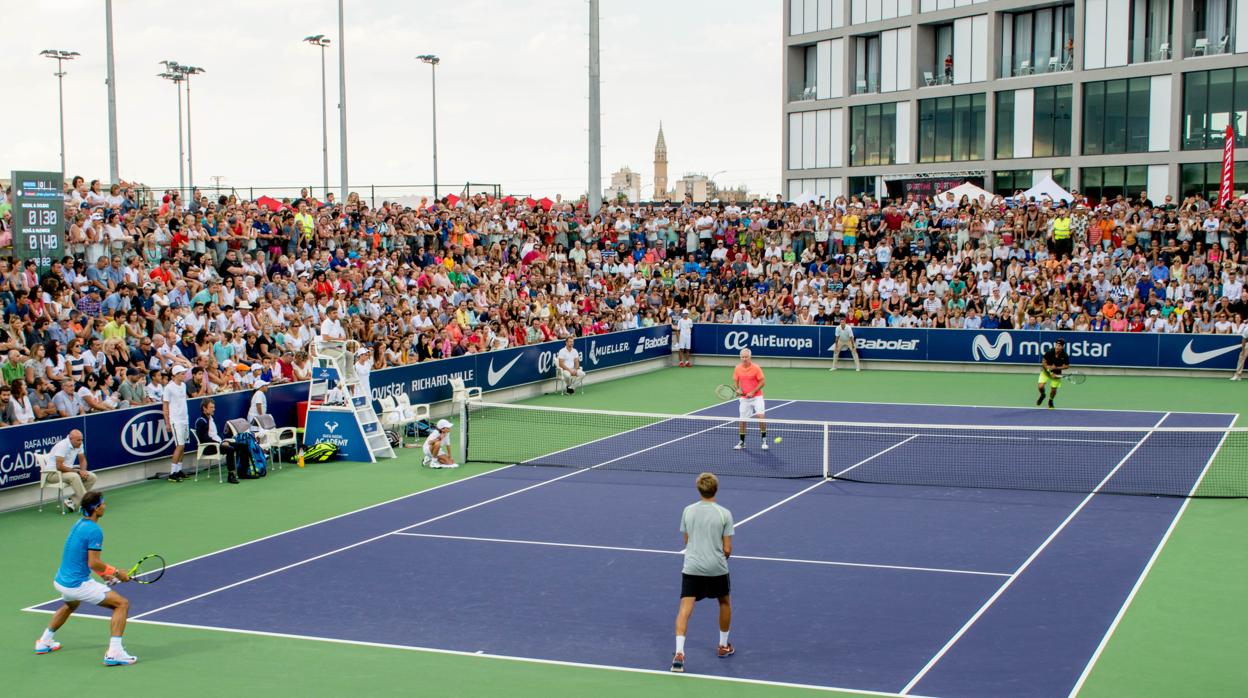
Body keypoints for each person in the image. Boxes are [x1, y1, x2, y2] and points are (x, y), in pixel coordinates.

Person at [36, 490, 137, 666]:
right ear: (96, 509)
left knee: (71, 604)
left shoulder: (79, 524)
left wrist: (104, 575)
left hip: (61, 580)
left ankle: (44, 641)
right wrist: (116, 572)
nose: (105, 506)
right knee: (122, 604)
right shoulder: (95, 530)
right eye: (103, 504)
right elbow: (93, 562)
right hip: (76, 584)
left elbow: (86, 560)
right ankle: (115, 653)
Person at [670, 472, 734, 673]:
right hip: (717, 568)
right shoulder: (725, 514)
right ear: (716, 489)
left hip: (692, 567)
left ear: (699, 489)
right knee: (724, 602)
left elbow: (687, 541)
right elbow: (727, 549)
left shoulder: (687, 511)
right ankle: (723, 646)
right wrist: (718, 558)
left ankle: (679, 653)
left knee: (684, 609)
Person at [43, 430, 97, 511]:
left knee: (92, 477)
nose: (80, 442)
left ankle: (72, 501)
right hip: (52, 474)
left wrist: (83, 471)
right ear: (71, 439)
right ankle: (88, 503)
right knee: (74, 476)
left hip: (67, 472)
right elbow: (59, 467)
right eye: (78, 440)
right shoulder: (62, 446)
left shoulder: (79, 445)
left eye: (81, 440)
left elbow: (82, 460)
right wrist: (78, 472)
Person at [194, 398, 239, 484]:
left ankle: (243, 471)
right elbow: (204, 439)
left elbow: (217, 434)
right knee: (230, 449)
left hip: (218, 444)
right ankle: (231, 475)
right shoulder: (201, 421)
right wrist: (220, 443)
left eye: (213, 407)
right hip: (209, 448)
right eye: (211, 407)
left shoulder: (211, 419)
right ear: (204, 408)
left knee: (241, 445)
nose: (214, 409)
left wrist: (224, 441)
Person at [732, 349, 768, 450]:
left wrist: (753, 392)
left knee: (761, 417)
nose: (744, 359)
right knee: (742, 420)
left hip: (757, 397)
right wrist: (738, 389)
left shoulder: (756, 368)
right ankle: (742, 442)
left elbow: (762, 382)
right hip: (744, 398)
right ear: (740, 357)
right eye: (742, 357)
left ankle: (764, 440)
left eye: (746, 357)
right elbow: (735, 380)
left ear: (750, 357)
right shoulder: (737, 368)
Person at [163, 365, 191, 481]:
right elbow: (165, 407)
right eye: (182, 374)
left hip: (185, 419)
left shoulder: (184, 385)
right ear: (175, 375)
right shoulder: (168, 388)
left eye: (184, 373)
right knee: (180, 445)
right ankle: (172, 473)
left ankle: (179, 470)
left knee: (183, 446)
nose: (184, 375)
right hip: (176, 420)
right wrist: (167, 423)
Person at [1036, 338, 1070, 409]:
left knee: (1053, 390)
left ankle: (1050, 401)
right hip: (1046, 372)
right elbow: (1043, 362)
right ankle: (1042, 395)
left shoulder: (1065, 355)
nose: (1057, 347)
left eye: (1059, 346)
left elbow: (1066, 366)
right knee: (1040, 387)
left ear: (1063, 347)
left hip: (1057, 374)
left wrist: (1056, 368)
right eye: (1057, 345)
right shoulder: (1050, 352)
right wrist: (1050, 371)